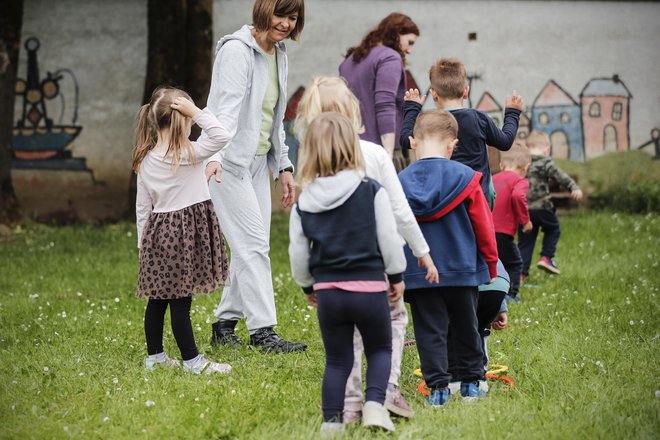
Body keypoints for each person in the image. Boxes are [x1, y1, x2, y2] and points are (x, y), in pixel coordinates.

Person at [294, 76, 439, 422]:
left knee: (342, 348)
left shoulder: (313, 161)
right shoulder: (372, 154)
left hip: (331, 277)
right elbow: (399, 211)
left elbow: (302, 236)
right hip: (375, 269)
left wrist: (308, 282)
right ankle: (385, 389)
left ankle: (349, 403)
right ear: (352, 112)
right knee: (390, 324)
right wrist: (420, 251)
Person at [289, 113, 407, 435]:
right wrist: (396, 276)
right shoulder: (372, 191)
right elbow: (389, 240)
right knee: (380, 349)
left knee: (337, 361)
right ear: (352, 147)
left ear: (309, 152)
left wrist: (307, 286)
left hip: (329, 294)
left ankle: (331, 423)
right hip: (370, 290)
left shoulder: (304, 203)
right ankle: (373, 405)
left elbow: (298, 253)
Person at [204, 0, 307, 353]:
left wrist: (285, 166)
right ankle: (263, 332)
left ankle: (224, 324)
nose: (286, 24)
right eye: (281, 15)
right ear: (263, 11)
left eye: (293, 18)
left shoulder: (279, 54)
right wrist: (214, 156)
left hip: (258, 162)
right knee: (253, 247)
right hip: (227, 163)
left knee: (251, 247)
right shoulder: (237, 51)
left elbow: (276, 119)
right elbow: (224, 109)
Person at [398, 109, 498, 406]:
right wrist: (490, 264)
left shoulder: (399, 182)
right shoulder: (467, 178)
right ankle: (470, 384)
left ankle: (438, 390)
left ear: (413, 142)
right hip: (462, 269)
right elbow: (484, 226)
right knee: (467, 326)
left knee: (429, 331)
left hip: (418, 274)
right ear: (453, 145)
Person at [134, 87, 232, 374]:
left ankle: (155, 358)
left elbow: (143, 207)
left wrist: (143, 245)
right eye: (189, 119)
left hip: (157, 234)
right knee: (180, 301)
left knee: (158, 299)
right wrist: (198, 112)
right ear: (183, 121)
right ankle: (192, 362)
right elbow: (222, 136)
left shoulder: (145, 158)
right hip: (183, 234)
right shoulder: (189, 153)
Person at [400, 58, 523, 206]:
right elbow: (505, 142)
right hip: (477, 198)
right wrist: (512, 113)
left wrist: (412, 108)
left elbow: (405, 139)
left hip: (444, 199)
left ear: (434, 94)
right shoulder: (479, 119)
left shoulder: (429, 122)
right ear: (466, 91)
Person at [339, 12, 420, 172]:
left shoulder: (349, 61)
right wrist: (387, 156)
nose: (409, 50)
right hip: (381, 150)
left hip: (351, 150)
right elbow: (385, 105)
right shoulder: (390, 58)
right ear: (396, 34)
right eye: (409, 42)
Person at [518, 131, 583, 279]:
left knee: (525, 243)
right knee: (553, 229)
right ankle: (546, 257)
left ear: (527, 148)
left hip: (525, 210)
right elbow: (560, 176)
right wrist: (574, 187)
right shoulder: (546, 162)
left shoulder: (522, 164)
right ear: (546, 148)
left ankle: (520, 275)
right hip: (543, 208)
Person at [492, 143, 533, 300]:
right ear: (526, 167)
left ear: (502, 165)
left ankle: (492, 291)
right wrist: (525, 221)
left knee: (494, 261)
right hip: (504, 233)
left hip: (486, 230)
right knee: (515, 263)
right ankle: (511, 294)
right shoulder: (520, 181)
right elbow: (518, 196)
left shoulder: (492, 178)